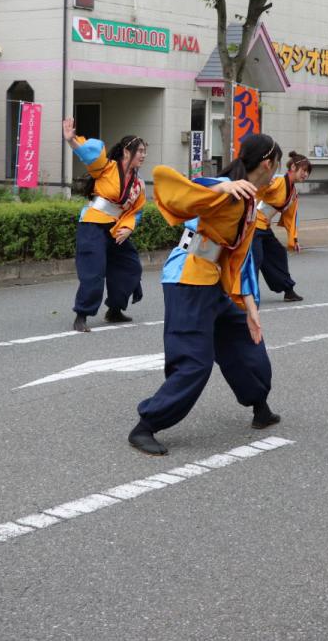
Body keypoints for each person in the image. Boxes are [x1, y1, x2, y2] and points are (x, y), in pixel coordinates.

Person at [128, 134, 282, 456]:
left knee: (246, 341)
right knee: (195, 362)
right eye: (277, 165)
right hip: (187, 278)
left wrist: (251, 306)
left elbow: (241, 257)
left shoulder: (249, 199)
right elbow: (176, 190)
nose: (277, 173)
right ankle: (146, 425)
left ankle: (260, 406)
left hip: (213, 281)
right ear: (268, 164)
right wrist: (221, 187)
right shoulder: (227, 189)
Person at [63, 118, 146, 332]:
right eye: (140, 151)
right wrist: (72, 141)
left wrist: (128, 228)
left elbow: (135, 211)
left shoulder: (138, 184)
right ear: (126, 151)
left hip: (116, 228)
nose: (143, 155)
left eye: (144, 152)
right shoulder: (106, 167)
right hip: (93, 224)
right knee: (94, 270)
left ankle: (115, 309)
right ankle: (81, 315)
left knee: (130, 267)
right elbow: (88, 155)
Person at [252, 151, 311, 301]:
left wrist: (294, 239)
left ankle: (288, 290)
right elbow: (256, 191)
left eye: (308, 172)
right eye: (304, 170)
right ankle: (248, 294)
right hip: (252, 225)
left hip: (263, 226)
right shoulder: (276, 181)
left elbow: (291, 216)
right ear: (293, 167)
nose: (306, 175)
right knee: (256, 258)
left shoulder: (293, 192)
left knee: (278, 253)